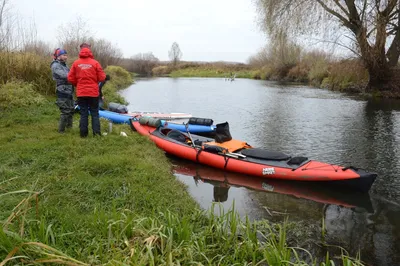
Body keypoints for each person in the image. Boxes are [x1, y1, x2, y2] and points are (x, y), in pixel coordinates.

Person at [68, 45, 106, 137]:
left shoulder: (76, 63)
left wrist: (78, 84)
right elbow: (102, 77)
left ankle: (83, 134)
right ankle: (96, 134)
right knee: (94, 113)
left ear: (80, 53)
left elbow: (70, 78)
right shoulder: (95, 63)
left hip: (81, 93)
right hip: (93, 93)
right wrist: (94, 80)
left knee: (83, 113)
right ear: (90, 53)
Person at [50, 48, 74, 133]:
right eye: (64, 55)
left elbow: (71, 74)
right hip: (62, 90)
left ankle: (69, 127)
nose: (66, 57)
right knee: (65, 110)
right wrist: (74, 76)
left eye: (66, 55)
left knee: (71, 109)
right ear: (58, 56)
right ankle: (61, 131)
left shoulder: (65, 65)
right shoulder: (55, 65)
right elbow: (65, 75)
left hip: (69, 89)